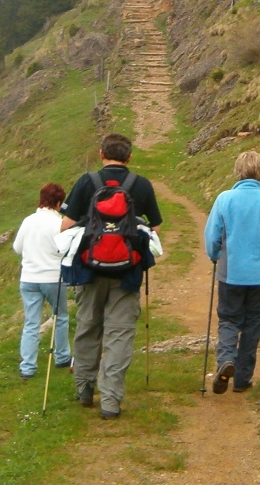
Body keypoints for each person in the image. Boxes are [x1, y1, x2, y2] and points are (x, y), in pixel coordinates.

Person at [60, 133, 163, 419]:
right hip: (127, 274)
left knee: (88, 327)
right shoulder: (141, 185)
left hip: (88, 271)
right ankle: (110, 401)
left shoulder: (86, 182)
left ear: (101, 153)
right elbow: (155, 228)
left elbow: (65, 227)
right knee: (119, 335)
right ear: (129, 157)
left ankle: (84, 387)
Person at [204, 151, 260, 394]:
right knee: (253, 322)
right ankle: (242, 379)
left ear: (238, 171)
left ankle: (225, 359)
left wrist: (214, 255)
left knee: (229, 318)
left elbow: (212, 237)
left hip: (230, 273)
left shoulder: (224, 199)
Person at [13, 182, 71, 379]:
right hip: (53, 277)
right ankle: (62, 356)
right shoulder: (59, 223)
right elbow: (63, 250)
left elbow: (17, 248)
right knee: (60, 317)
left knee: (31, 322)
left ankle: (28, 366)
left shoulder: (28, 221)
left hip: (29, 278)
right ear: (59, 203)